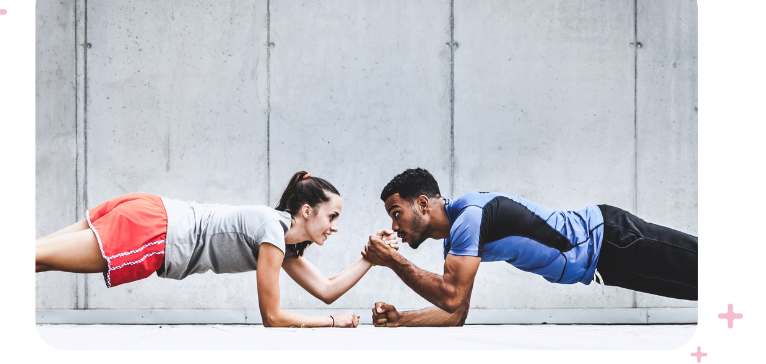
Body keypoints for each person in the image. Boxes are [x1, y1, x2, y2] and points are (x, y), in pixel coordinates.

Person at [36, 171, 398, 328]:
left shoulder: (280, 241)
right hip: (153, 232)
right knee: (34, 257)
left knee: (35, 257)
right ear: (307, 211)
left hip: (149, 212)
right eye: (332, 216)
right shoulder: (273, 232)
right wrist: (332, 323)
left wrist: (369, 258)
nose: (335, 226)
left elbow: (326, 290)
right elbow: (272, 317)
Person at [361, 168, 697, 327]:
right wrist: (401, 317)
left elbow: (448, 297)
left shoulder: (470, 216)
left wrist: (393, 261)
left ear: (422, 204)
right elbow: (457, 311)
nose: (394, 228)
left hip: (612, 238)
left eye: (396, 214)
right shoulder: (458, 239)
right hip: (605, 266)